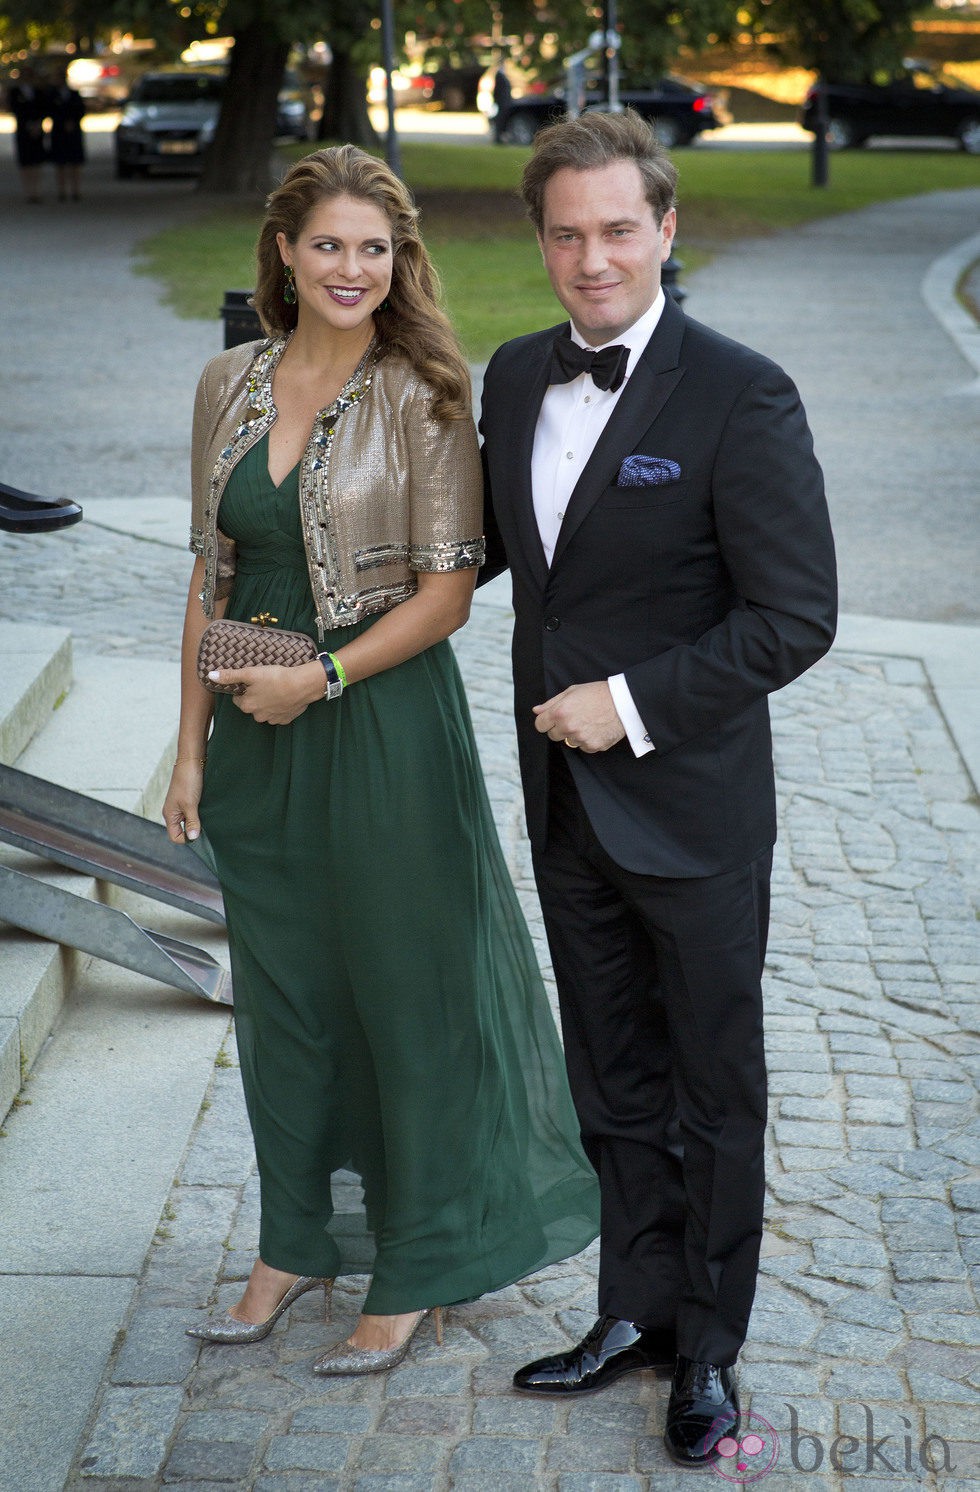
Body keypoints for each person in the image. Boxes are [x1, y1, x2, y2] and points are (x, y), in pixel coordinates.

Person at [162, 144, 599, 1376]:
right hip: (254, 741)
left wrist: (326, 674)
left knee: (410, 999)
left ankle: (414, 1261)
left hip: (383, 726)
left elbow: (450, 596)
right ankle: (294, 1240)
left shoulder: (423, 391)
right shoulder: (225, 382)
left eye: (375, 248)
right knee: (290, 1005)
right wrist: (188, 750)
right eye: (328, 245)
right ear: (285, 255)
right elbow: (209, 576)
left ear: (398, 262)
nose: (352, 268)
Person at [479, 111, 837, 1465]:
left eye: (618, 228)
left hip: (689, 812)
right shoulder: (514, 377)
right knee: (611, 1080)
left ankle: (710, 1347)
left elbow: (794, 617)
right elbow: (482, 548)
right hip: (564, 811)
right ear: (543, 240)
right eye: (567, 233)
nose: (592, 257)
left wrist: (625, 706)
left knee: (710, 1088)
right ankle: (631, 1312)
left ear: (666, 230)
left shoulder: (743, 392)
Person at [7, 68, 49, 203]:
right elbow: (15, 109)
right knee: (25, 161)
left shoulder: (38, 92)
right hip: (23, 130)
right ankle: (28, 191)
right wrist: (28, 124)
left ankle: (37, 190)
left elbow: (43, 109)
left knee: (36, 161)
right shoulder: (15, 92)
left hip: (37, 130)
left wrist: (37, 123)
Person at [48, 72, 86, 201]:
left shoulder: (74, 94)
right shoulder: (52, 95)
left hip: (73, 132)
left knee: (75, 162)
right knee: (60, 163)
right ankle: (62, 190)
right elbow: (50, 111)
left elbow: (81, 110)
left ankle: (76, 190)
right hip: (59, 132)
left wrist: (72, 122)